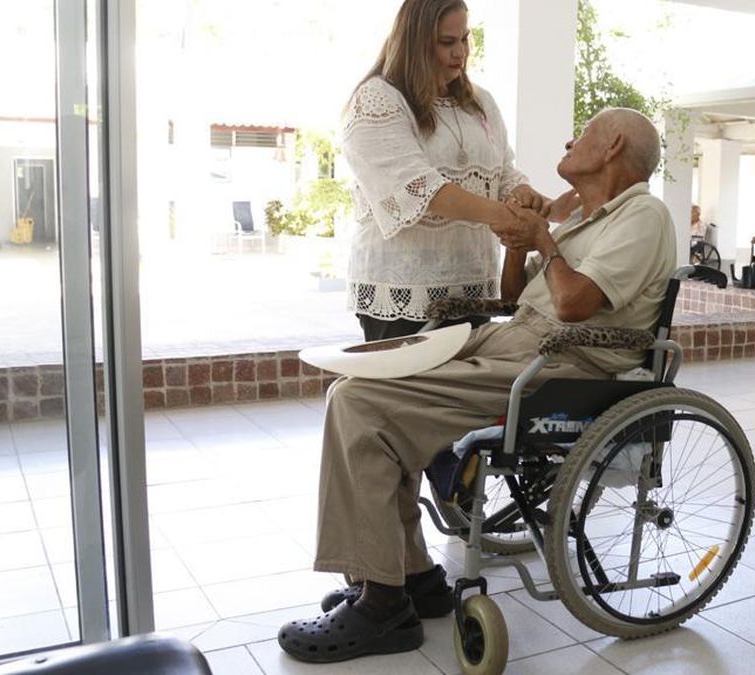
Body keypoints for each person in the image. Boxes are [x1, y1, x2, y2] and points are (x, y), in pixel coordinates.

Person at [277, 108, 676, 664]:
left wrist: (543, 237)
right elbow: (516, 295)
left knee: (357, 404)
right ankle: (412, 577)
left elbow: (573, 304)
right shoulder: (587, 218)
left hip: (562, 365)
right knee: (363, 382)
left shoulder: (644, 216)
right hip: (516, 340)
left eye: (584, 132)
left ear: (612, 147)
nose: (570, 138)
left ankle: (383, 604)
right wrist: (518, 242)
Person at [341, 0, 557, 343]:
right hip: (405, 291)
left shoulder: (481, 102)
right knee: (406, 380)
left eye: (465, 39)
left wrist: (522, 194)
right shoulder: (378, 99)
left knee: (465, 380)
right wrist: (510, 217)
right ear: (415, 42)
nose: (460, 52)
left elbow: (503, 173)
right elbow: (422, 190)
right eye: (447, 42)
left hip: (473, 286)